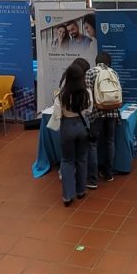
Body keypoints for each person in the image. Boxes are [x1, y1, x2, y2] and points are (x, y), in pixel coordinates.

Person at [85, 52, 120, 187]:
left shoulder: (90, 73)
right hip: (112, 111)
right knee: (110, 141)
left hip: (96, 112)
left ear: (96, 61)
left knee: (93, 144)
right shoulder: (113, 73)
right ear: (108, 63)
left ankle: (93, 180)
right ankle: (109, 174)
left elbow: (88, 95)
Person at [58, 63, 90, 206]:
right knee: (82, 158)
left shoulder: (62, 94)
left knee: (67, 160)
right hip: (82, 127)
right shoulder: (87, 92)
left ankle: (68, 196)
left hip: (67, 127)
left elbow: (57, 114)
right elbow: (89, 110)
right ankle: (81, 190)